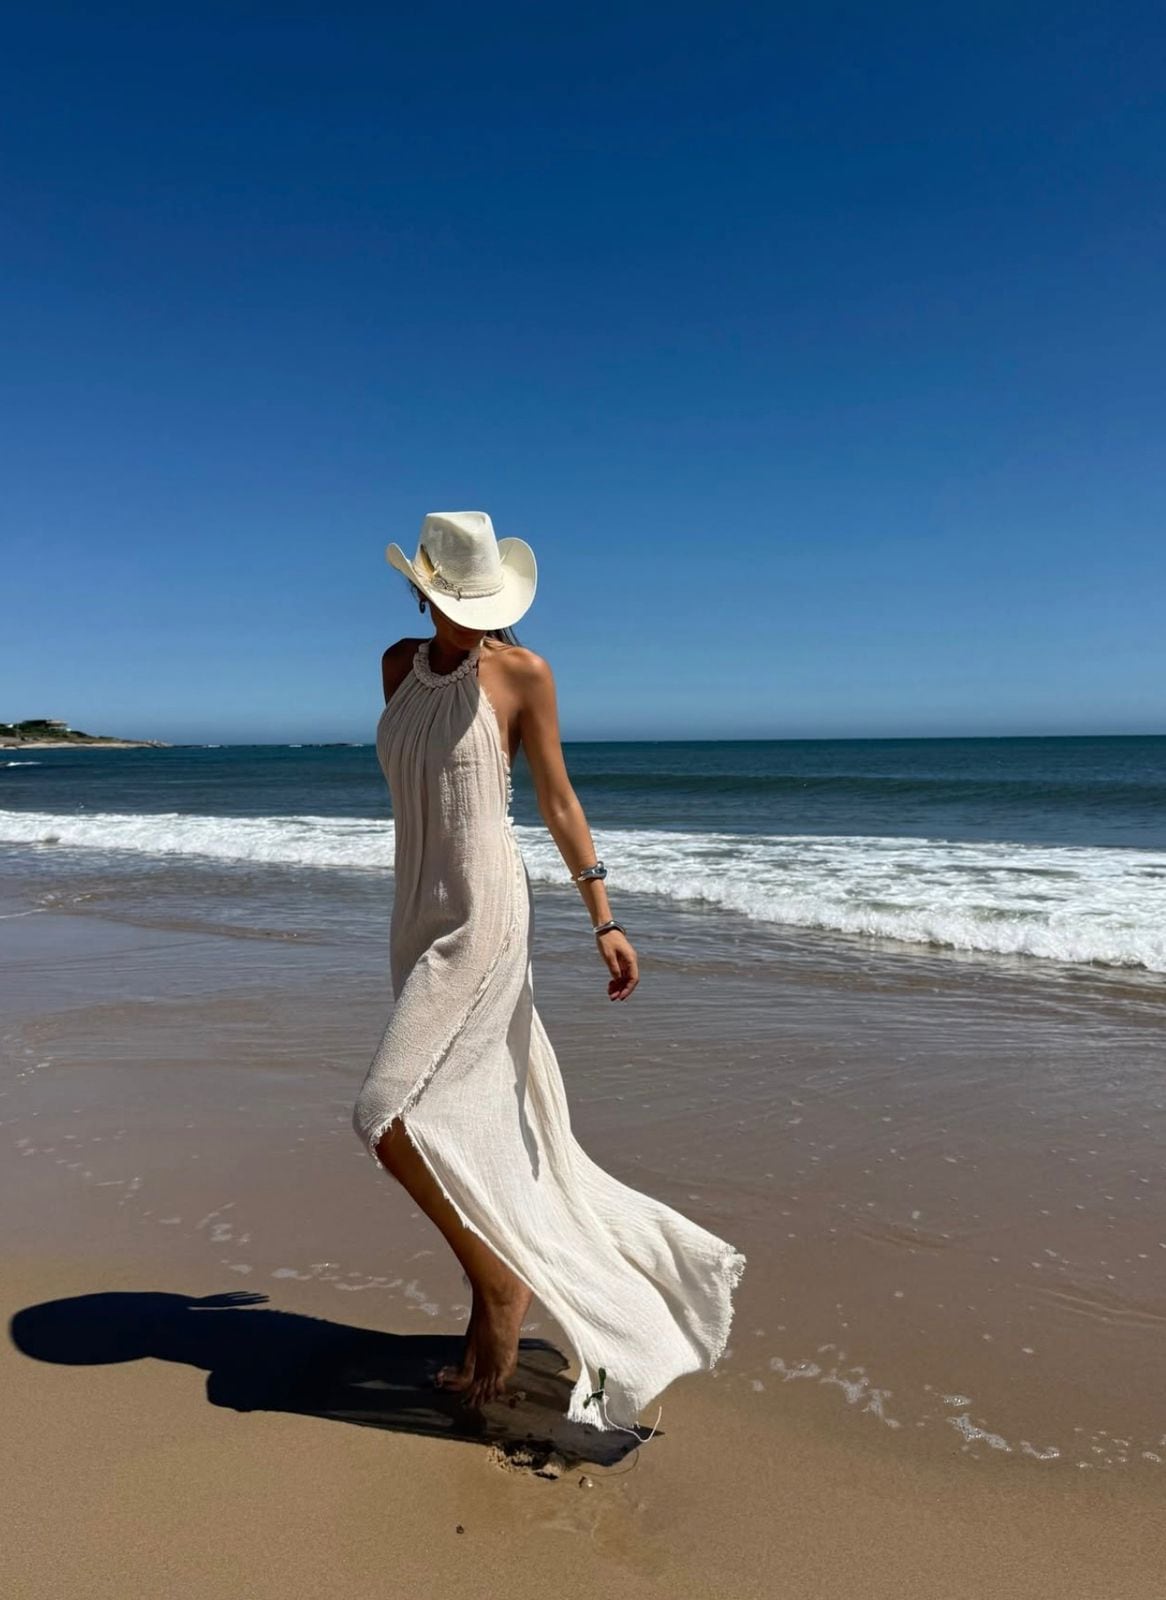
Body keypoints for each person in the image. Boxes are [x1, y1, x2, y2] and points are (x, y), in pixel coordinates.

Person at [352, 511, 745, 1431]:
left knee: (382, 1111)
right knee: (460, 1113)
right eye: (456, 599)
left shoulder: (524, 675)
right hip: (418, 908)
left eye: (481, 602)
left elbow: (558, 797)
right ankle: (493, 1278)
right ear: (427, 590)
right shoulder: (394, 666)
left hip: (485, 911)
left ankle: (499, 1289)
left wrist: (603, 916)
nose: (471, 617)